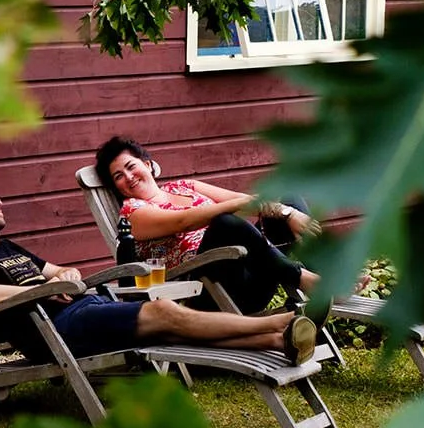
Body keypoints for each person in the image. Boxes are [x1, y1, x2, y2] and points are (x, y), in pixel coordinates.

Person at [0, 176, 316, 365]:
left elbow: (63, 269)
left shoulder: (11, 250)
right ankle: (280, 323)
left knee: (168, 329)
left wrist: (64, 277)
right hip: (59, 329)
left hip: (83, 307)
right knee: (164, 313)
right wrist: (38, 291)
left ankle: (274, 342)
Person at [93, 135, 325, 316]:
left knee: (289, 198)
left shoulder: (185, 186)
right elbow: (185, 220)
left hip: (255, 272)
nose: (129, 176)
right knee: (225, 223)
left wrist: (287, 212)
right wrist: (243, 204)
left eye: (131, 166)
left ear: (149, 165)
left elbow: (246, 201)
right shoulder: (132, 213)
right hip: (208, 290)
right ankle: (304, 279)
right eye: (118, 176)